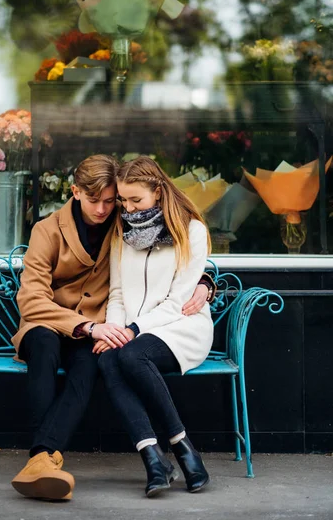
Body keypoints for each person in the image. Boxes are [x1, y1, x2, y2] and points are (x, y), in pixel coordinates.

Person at [10, 154, 215, 501]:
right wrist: (99, 327)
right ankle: (45, 457)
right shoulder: (55, 230)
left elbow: (178, 275)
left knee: (106, 361)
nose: (108, 209)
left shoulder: (131, 226)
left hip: (141, 328)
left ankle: (174, 451)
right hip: (61, 322)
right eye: (99, 201)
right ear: (75, 192)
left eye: (113, 200)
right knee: (54, 349)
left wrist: (206, 282)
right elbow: (35, 299)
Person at [97, 156, 214, 498]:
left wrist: (133, 330)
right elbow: (117, 294)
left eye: (136, 200)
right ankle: (153, 459)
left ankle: (181, 447)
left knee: (131, 356)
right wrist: (115, 330)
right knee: (107, 358)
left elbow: (178, 300)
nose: (128, 208)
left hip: (182, 327)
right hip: (136, 330)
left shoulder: (190, 230)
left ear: (159, 192)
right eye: (123, 200)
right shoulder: (122, 234)